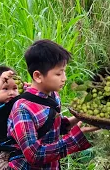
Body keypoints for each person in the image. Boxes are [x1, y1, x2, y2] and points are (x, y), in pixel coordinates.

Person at [6, 39, 97, 169]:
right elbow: (34, 155)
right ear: (38, 76)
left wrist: (81, 117)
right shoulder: (22, 108)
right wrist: (75, 139)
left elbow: (54, 126)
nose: (64, 78)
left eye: (64, 71)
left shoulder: (53, 96)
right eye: (58, 73)